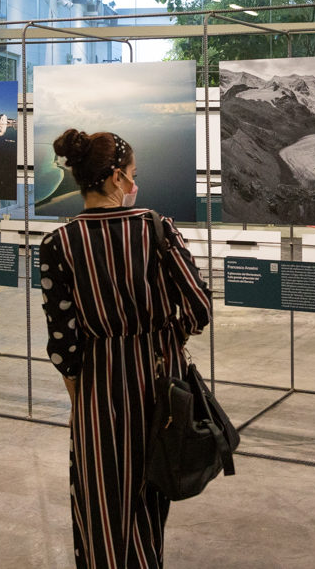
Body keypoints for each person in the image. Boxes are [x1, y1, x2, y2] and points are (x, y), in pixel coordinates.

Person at [38, 128, 211, 569]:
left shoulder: (59, 242)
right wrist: (168, 338)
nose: (135, 183)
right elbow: (198, 307)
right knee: (153, 493)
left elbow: (63, 339)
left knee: (101, 499)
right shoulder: (156, 228)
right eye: (132, 175)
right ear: (116, 179)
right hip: (160, 382)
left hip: (99, 382)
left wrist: (78, 393)